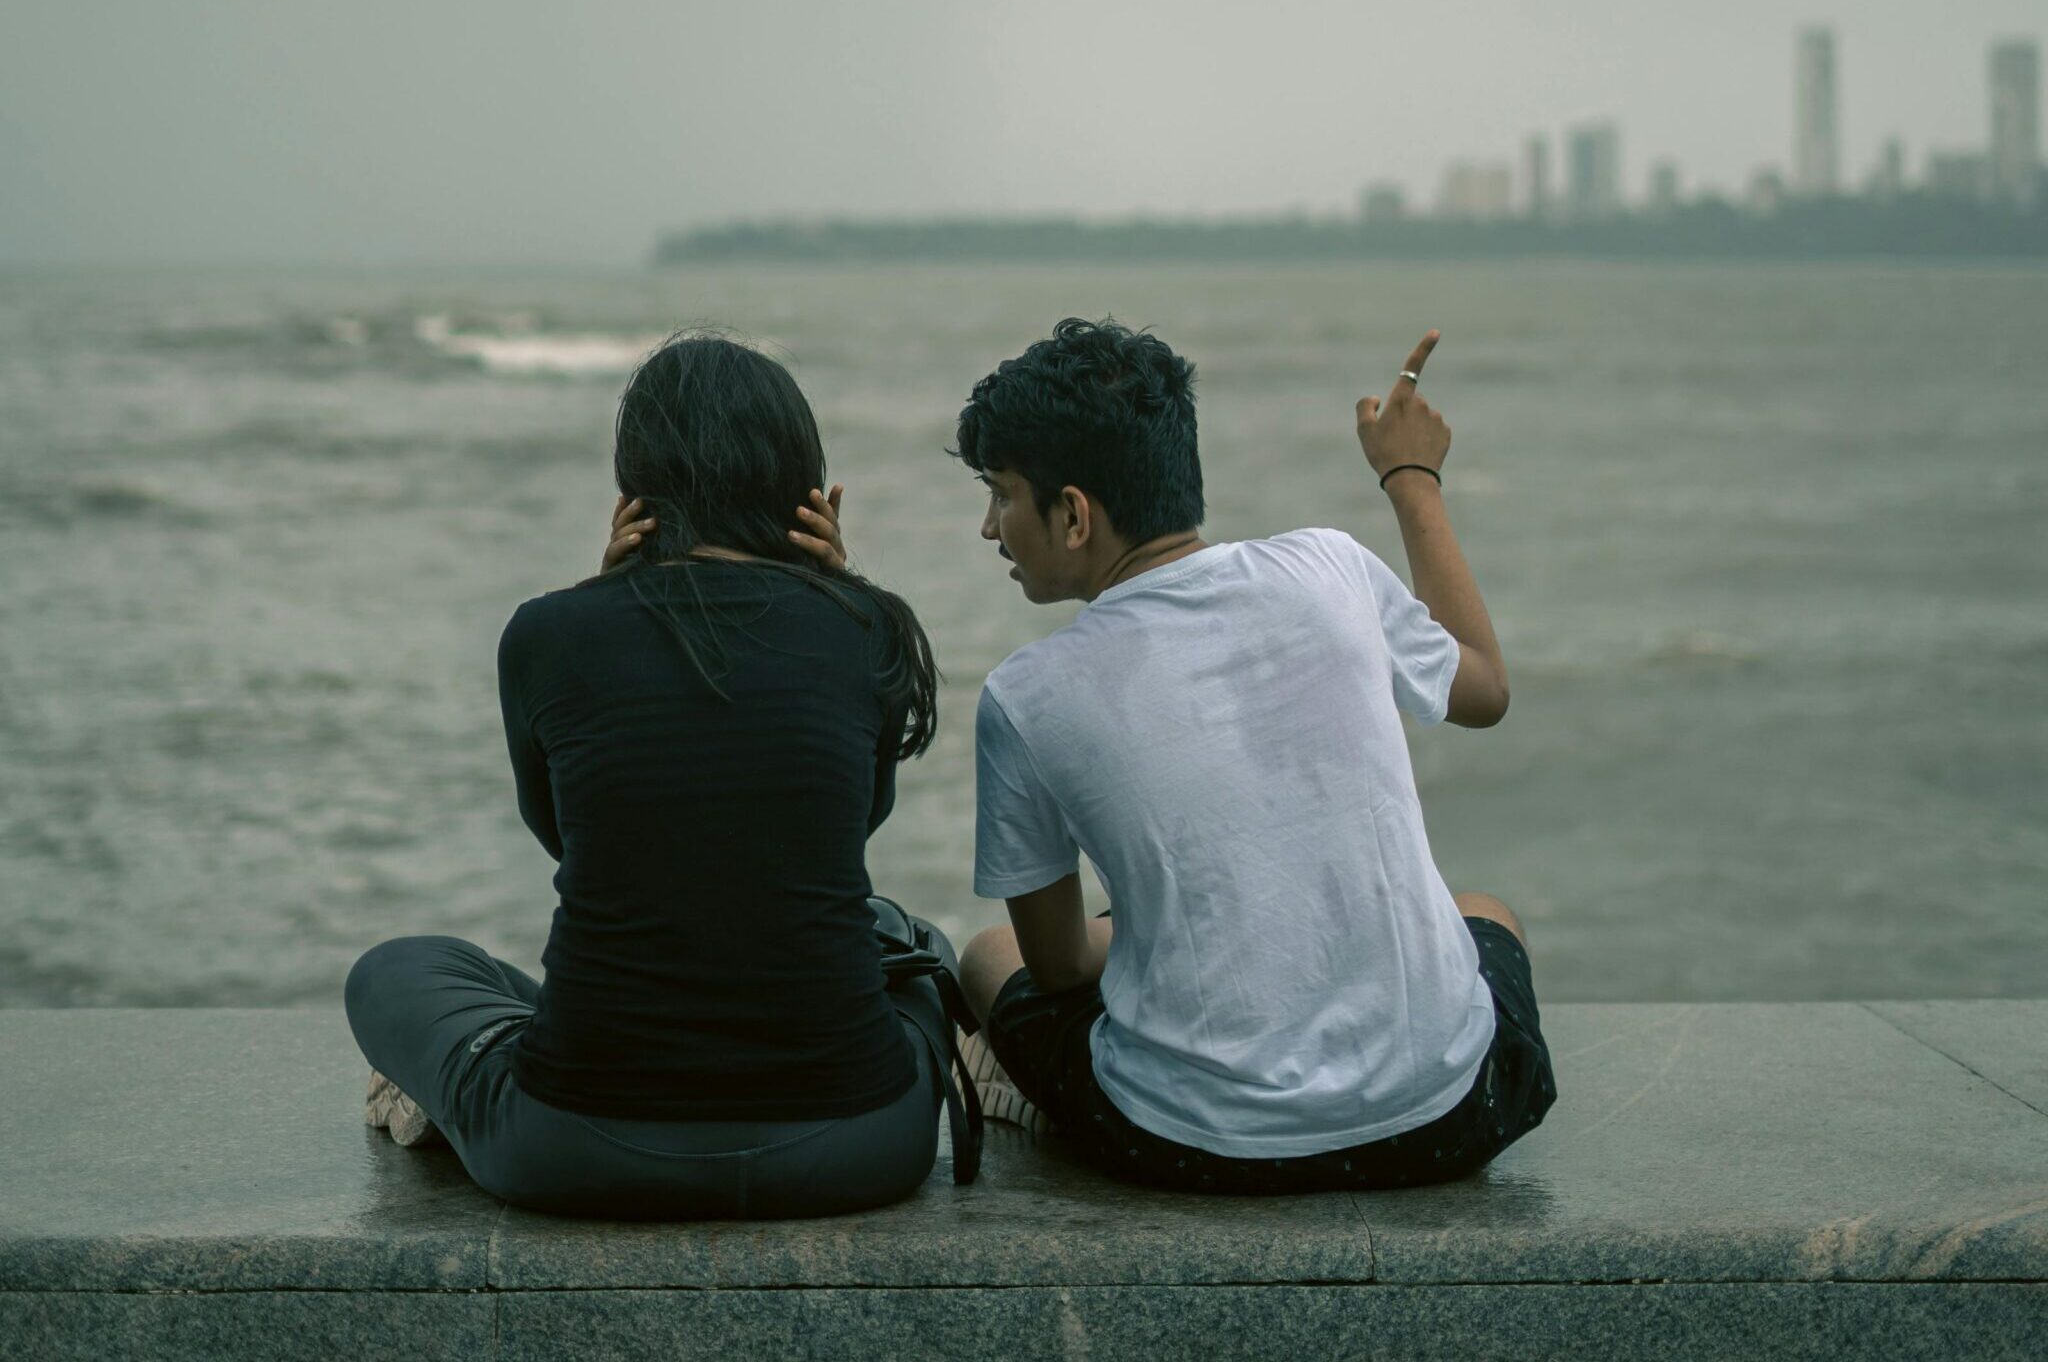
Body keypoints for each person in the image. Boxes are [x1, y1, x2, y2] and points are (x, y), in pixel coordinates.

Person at [344, 332, 963, 1219]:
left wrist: (600, 609)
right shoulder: (867, 630)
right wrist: (843, 593)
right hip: (858, 1149)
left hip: (571, 1149)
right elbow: (838, 829)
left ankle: (484, 1080)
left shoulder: (545, 635)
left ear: (634, 494)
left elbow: (578, 839)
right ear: (807, 494)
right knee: (916, 943)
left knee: (395, 969)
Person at [954, 317, 1555, 1191]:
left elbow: (1058, 967)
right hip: (1454, 1120)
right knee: (1485, 908)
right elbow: (1485, 690)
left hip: (1195, 1152)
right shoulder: (1331, 569)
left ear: (1075, 515)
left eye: (1002, 495)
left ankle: (1037, 1104)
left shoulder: (1025, 696)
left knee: (985, 956)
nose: (989, 528)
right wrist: (1411, 476)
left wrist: (1146, 921)